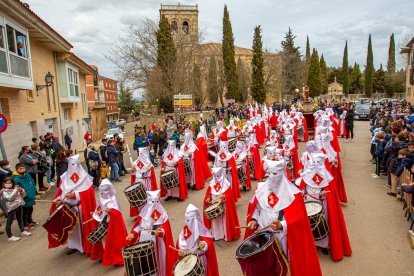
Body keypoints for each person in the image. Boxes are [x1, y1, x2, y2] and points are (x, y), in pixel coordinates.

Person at [244, 159, 322, 276]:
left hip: (282, 237)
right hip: (262, 234)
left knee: (283, 264)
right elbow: (257, 209)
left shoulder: (294, 194)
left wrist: (282, 225)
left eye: (275, 173)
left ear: (282, 173)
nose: (271, 177)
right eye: (269, 173)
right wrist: (254, 220)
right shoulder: (261, 190)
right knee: (265, 265)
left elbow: (299, 218)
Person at [299, 153, 352, 261]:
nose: (316, 165)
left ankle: (323, 245)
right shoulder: (306, 174)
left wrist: (324, 194)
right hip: (308, 202)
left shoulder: (327, 177)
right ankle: (312, 244)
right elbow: (302, 188)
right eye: (314, 162)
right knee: (308, 225)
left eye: (318, 163)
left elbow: (331, 193)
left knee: (324, 222)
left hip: (323, 204)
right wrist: (302, 194)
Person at [49, 155, 104, 259]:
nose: (74, 167)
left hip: (81, 208)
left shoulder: (85, 177)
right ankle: (74, 246)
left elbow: (89, 192)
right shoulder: (64, 177)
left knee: (83, 229)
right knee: (71, 229)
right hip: (68, 208)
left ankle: (85, 246)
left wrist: (75, 195)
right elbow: (61, 192)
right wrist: (59, 199)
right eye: (72, 165)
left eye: (76, 164)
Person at [126, 190, 175, 276]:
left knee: (158, 261)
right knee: (146, 263)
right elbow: (139, 227)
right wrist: (133, 234)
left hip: (158, 242)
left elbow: (165, 229)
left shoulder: (163, 214)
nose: (154, 204)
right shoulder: (143, 213)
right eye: (152, 201)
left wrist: (160, 232)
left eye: (156, 201)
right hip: (144, 240)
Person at [176, 204, 219, 276]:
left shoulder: (202, 230)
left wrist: (205, 244)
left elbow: (209, 242)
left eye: (192, 220)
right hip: (189, 261)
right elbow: (181, 244)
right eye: (188, 220)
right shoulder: (185, 231)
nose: (190, 223)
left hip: (201, 259)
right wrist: (181, 251)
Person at [92, 179, 127, 266]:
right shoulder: (100, 197)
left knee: (115, 240)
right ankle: (107, 255)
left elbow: (116, 212)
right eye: (102, 191)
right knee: (105, 240)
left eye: (105, 191)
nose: (103, 193)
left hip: (113, 223)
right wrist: (98, 214)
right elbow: (99, 207)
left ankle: (117, 258)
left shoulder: (112, 198)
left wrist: (110, 211)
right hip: (104, 221)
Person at [203, 167, 240, 242]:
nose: (217, 178)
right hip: (214, 205)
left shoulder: (226, 184)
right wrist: (208, 199)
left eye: (218, 176)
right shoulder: (212, 184)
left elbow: (229, 196)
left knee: (225, 220)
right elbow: (208, 195)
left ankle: (226, 235)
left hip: (225, 206)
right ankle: (217, 235)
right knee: (216, 221)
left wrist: (223, 197)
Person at [130, 147, 158, 217]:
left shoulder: (149, 163)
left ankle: (149, 211)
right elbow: (133, 174)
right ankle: (141, 212)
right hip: (138, 181)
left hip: (146, 181)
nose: (142, 155)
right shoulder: (135, 162)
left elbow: (150, 175)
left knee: (147, 196)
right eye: (140, 153)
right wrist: (133, 169)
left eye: (143, 153)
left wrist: (148, 170)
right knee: (139, 197)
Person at [0, 177, 31, 241]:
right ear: (4, 184)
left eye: (10, 183)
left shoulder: (14, 188)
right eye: (6, 183)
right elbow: (10, 198)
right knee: (9, 222)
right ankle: (10, 237)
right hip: (11, 208)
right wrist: (15, 190)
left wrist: (22, 191)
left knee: (20, 219)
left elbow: (23, 196)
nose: (8, 184)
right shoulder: (3, 191)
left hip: (19, 205)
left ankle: (23, 231)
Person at [12, 163, 37, 231]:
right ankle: (25, 224)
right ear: (17, 170)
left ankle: (30, 220)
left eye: (23, 168)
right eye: (20, 169)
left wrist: (34, 191)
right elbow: (18, 189)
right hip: (24, 197)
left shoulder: (28, 175)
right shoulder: (16, 179)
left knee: (30, 209)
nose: (22, 169)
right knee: (24, 211)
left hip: (31, 195)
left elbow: (32, 182)